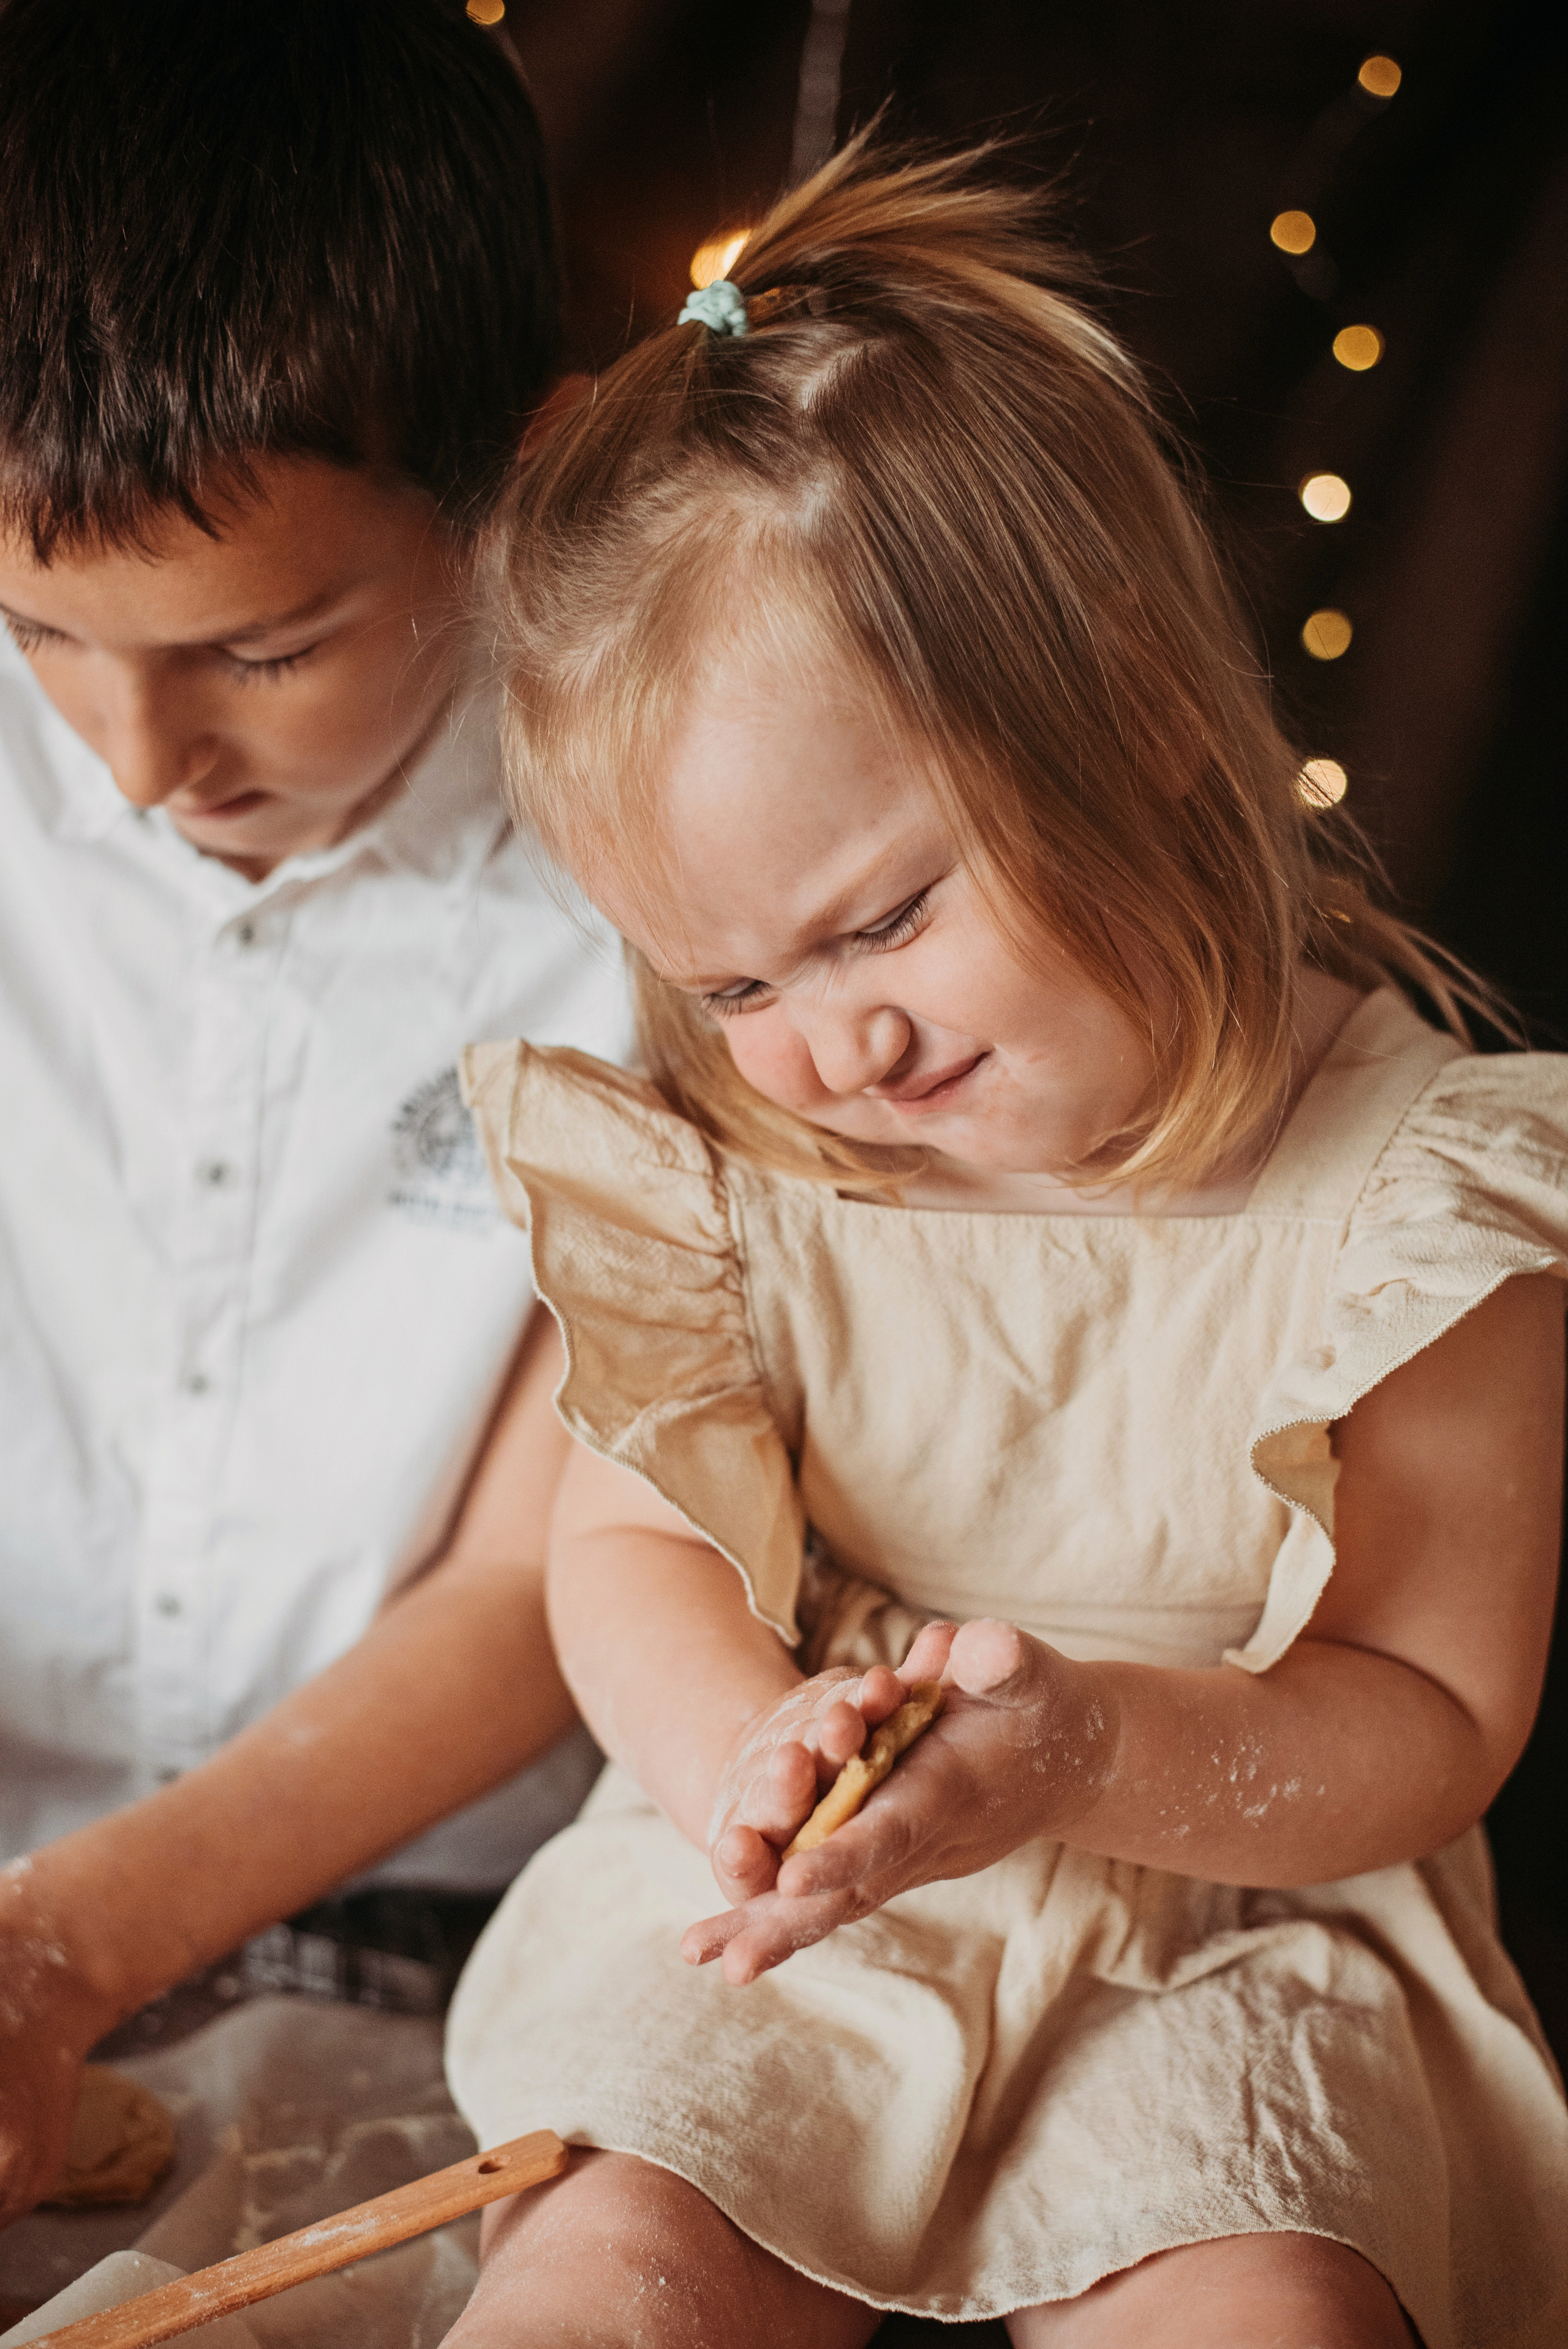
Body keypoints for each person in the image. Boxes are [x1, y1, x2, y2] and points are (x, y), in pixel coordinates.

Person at [440, 139, 1568, 2349]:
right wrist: (742, 1764)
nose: (830, 1038)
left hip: (1236, 1906)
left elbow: (1427, 1710)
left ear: (1138, 724)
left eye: (882, 919)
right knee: (611, 2268)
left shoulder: (1422, 1198)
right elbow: (628, 1550)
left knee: (1266, 2307)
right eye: (738, 982)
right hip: (813, 1880)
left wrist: (1082, 1757)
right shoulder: (745, 1168)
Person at [0, 0, 627, 2223]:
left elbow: (536, 1572)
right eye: (41, 634)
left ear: (522, 478)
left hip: (450, 1928)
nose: (133, 760)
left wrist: (64, 1944)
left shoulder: (653, 877)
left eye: (261, 651)